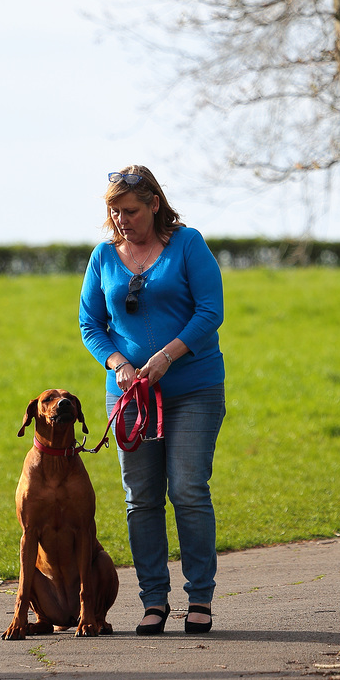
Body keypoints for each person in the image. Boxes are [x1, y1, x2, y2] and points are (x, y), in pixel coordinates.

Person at [79, 165, 225, 636]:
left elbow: (210, 311)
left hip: (193, 390)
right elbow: (90, 325)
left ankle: (199, 596)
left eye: (131, 210)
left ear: (154, 205)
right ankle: (154, 601)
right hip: (131, 399)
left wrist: (167, 356)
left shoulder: (188, 245)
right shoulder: (102, 257)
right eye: (114, 211)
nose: (122, 220)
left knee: (186, 489)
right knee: (140, 500)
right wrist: (119, 364)